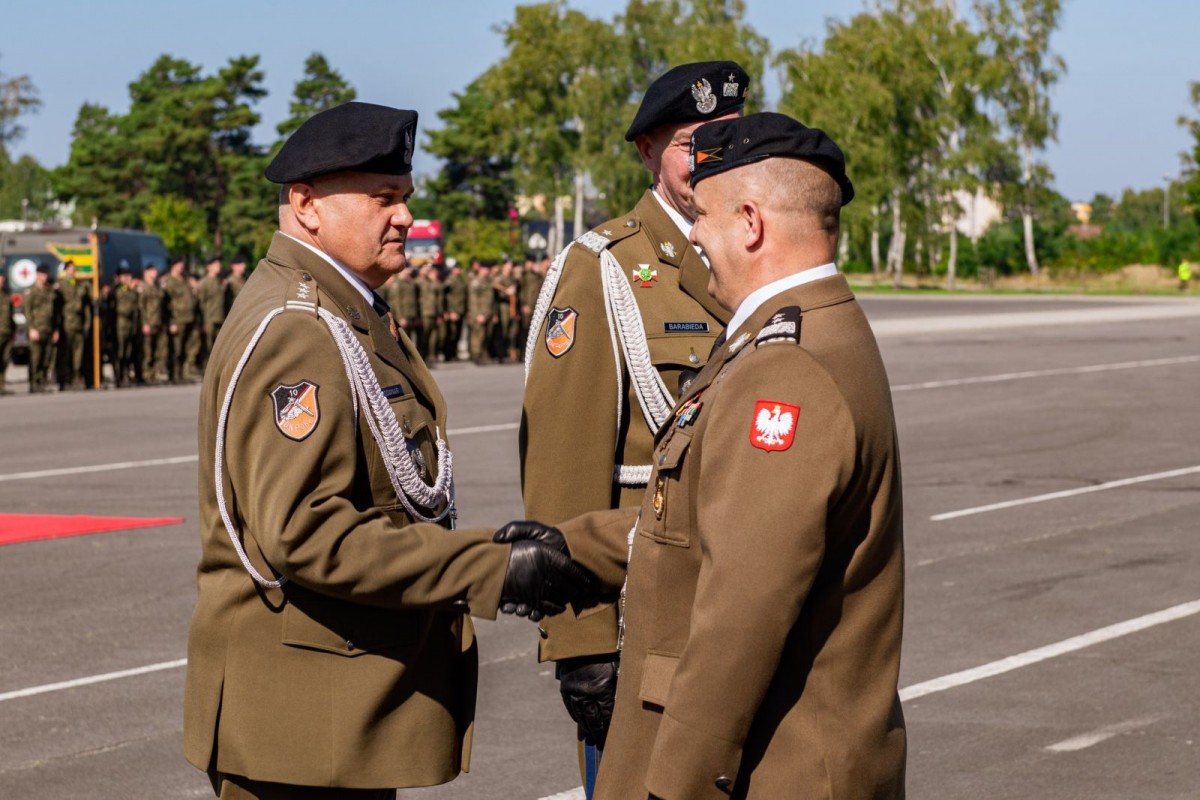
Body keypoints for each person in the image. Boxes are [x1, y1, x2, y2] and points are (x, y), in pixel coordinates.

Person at [183, 101, 591, 800]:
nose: (404, 217)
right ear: (306, 205)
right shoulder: (299, 329)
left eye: (403, 198)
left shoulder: (340, 310)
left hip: (331, 716)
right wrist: (489, 567)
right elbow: (305, 533)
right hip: (306, 723)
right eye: (382, 199)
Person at [551, 112, 907, 799]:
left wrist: (675, 785)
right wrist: (569, 545)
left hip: (775, 772)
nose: (692, 235)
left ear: (750, 223)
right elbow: (707, 524)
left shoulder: (787, 368)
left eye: (704, 216)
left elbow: (743, 613)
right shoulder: (814, 330)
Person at [519, 60, 748, 791]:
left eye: (728, 137)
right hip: (645, 627)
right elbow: (564, 466)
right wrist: (584, 644)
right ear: (647, 152)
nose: (711, 157)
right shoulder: (607, 269)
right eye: (690, 142)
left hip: (738, 612)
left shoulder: (754, 254)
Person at [24, 264, 61, 393]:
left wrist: (56, 329)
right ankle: (34, 382)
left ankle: (42, 381)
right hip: (36, 329)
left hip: (49, 329)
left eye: (46, 274)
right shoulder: (31, 291)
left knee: (47, 357)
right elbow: (27, 311)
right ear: (37, 275)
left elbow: (55, 312)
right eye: (42, 274)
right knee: (35, 358)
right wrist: (31, 328)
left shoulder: (50, 291)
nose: (44, 277)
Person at [57, 260, 92, 389]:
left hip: (78, 324)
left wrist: (86, 324)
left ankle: (77, 378)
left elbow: (86, 307)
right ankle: (65, 379)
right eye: (70, 269)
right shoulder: (61, 286)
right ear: (65, 271)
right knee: (66, 354)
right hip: (66, 324)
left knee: (79, 354)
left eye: (74, 269)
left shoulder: (80, 285)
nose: (72, 272)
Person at [164, 257, 199, 383]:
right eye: (179, 264)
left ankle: (182, 373)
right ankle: (174, 374)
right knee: (176, 349)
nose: (181, 267)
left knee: (185, 348)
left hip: (188, 318)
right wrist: (171, 322)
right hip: (177, 319)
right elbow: (167, 305)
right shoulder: (170, 282)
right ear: (173, 266)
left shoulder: (184, 280)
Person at [139, 265, 167, 385]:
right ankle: (146, 373)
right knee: (147, 351)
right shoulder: (143, 287)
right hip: (149, 322)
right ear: (146, 272)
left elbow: (163, 306)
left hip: (158, 322)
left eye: (156, 270)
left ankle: (155, 373)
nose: (155, 273)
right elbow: (141, 307)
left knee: (158, 350)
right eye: (152, 271)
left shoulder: (157, 287)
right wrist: (144, 322)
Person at [197, 256, 227, 366]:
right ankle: (205, 368)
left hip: (219, 317)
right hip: (208, 319)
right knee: (208, 346)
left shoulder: (220, 282)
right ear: (209, 267)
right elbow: (200, 303)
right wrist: (202, 321)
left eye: (219, 265)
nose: (218, 267)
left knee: (218, 347)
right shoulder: (204, 283)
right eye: (215, 265)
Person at [0, 273, 14, 395]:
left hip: (7, 332)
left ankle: (2, 385)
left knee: (5, 359)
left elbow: (10, 315)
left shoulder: (6, 296)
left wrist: (13, 331)